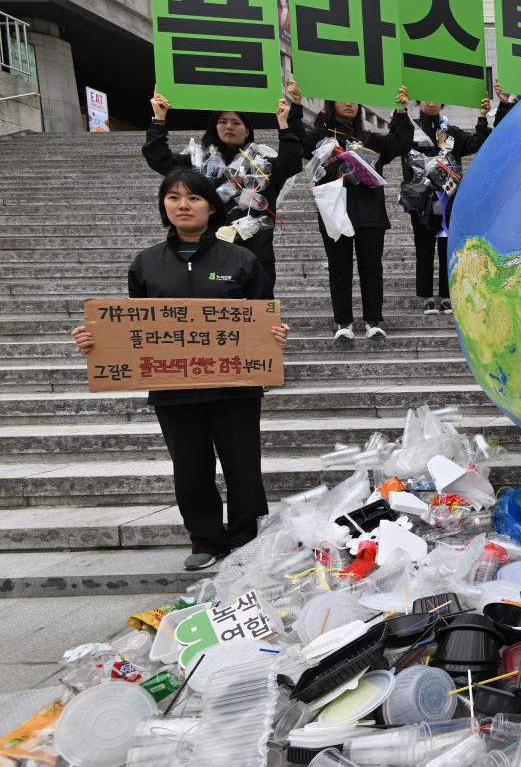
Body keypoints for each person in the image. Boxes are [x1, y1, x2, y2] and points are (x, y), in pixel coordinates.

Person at [70, 169, 290, 570]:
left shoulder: (241, 259)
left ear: (210, 206)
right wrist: (96, 341)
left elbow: (263, 316)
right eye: (173, 198)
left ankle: (244, 538)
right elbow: (131, 327)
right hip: (173, 385)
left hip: (234, 384)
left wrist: (273, 334)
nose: (183, 205)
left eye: (193, 198)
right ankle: (204, 539)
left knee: (242, 463)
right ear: (163, 207)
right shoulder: (146, 264)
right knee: (189, 465)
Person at [144, 81, 305, 298]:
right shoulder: (198, 163)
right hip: (208, 255)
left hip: (255, 254)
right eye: (222, 121)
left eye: (236, 122)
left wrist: (285, 123)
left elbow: (292, 162)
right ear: (214, 127)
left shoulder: (263, 163)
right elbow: (158, 158)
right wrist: (159, 119)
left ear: (247, 129)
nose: (229, 126)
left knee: (259, 319)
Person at [304, 89, 414, 340]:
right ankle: (343, 323)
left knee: (372, 268)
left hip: (369, 213)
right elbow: (301, 143)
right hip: (335, 212)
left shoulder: (371, 140)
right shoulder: (321, 139)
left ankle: (373, 321)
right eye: (344, 96)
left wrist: (400, 111)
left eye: (355, 98)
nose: (350, 102)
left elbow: (400, 143)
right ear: (331, 101)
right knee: (339, 269)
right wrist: (298, 107)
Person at [398, 97, 494, 315]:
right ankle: (426, 296)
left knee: (446, 249)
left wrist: (481, 116)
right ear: (418, 102)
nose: (432, 103)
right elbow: (401, 149)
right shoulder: (411, 130)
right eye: (426, 99)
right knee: (423, 249)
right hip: (422, 201)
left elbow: (476, 142)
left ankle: (446, 295)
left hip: (449, 201)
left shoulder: (451, 132)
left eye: (437, 100)